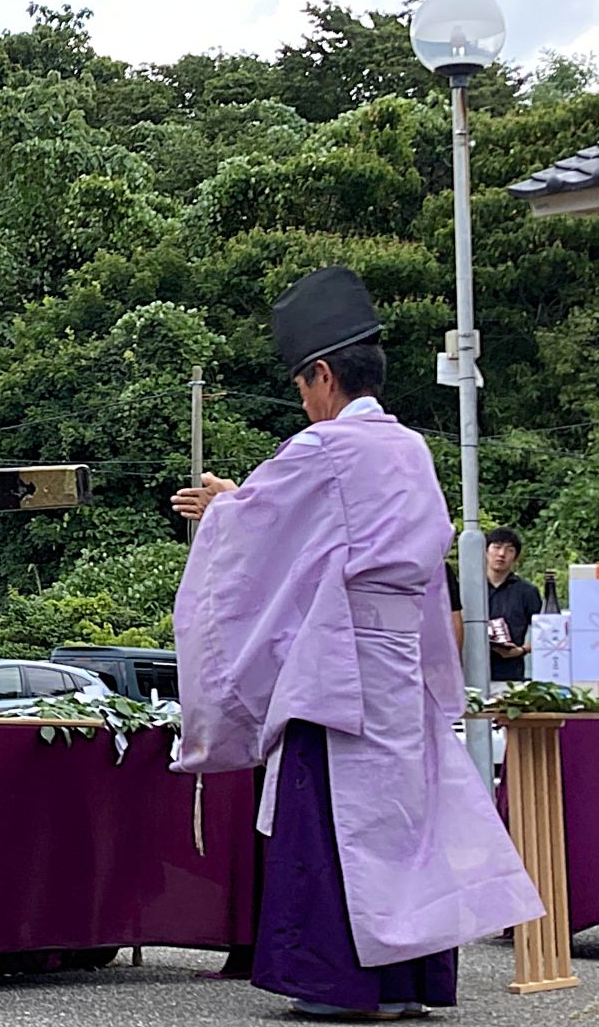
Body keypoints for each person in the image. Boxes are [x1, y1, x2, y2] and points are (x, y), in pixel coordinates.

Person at [170, 266, 540, 1020]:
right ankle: (406, 984)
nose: (304, 403)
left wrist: (222, 505)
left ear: (324, 376)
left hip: (339, 665)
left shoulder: (327, 448)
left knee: (333, 823)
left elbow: (262, 535)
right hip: (399, 662)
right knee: (403, 827)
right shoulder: (411, 450)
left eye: (304, 387)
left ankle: (343, 984)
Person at [485, 527, 542, 684]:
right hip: (469, 672)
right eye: (496, 547)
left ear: (516, 557)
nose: (501, 554)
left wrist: (522, 650)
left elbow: (548, 633)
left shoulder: (527, 591)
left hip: (511, 675)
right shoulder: (467, 587)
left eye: (509, 550)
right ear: (485, 551)